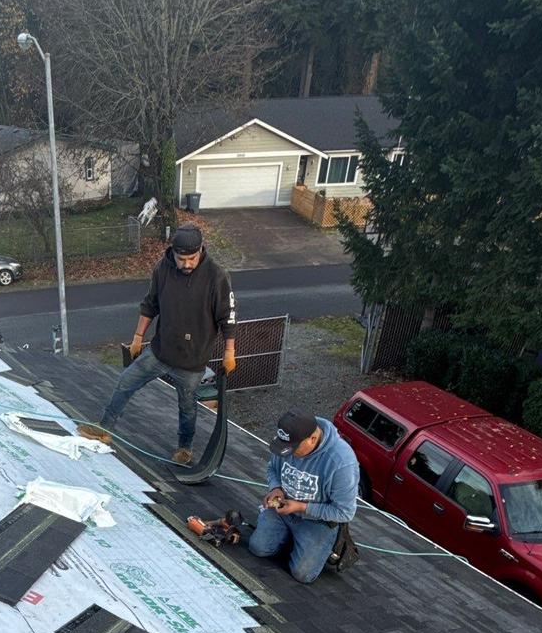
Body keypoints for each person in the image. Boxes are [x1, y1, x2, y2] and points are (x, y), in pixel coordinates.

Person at [79, 224, 236, 464]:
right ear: (173, 252)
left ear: (201, 250)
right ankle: (104, 428)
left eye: (192, 259)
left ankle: (184, 448)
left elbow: (228, 317)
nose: (186, 264)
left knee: (187, 407)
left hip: (192, 360)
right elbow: (150, 304)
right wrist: (138, 336)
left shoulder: (217, 276)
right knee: (125, 381)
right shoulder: (163, 268)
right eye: (181, 259)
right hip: (161, 351)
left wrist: (229, 352)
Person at [249, 407, 359, 582]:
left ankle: (314, 543)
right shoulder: (287, 442)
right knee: (258, 548)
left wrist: (301, 507)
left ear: (312, 439)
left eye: (293, 449)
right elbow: (273, 469)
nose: (289, 453)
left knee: (303, 574)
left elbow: (345, 512)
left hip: (318, 521)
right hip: (284, 510)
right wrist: (275, 488)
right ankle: (290, 538)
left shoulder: (342, 462)